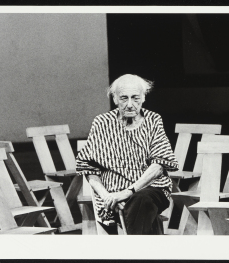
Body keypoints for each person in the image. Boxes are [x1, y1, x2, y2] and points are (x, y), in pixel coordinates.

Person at [76, 74, 179, 234]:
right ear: (115, 99)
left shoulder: (153, 120)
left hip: (151, 190)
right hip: (112, 195)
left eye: (135, 98)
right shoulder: (102, 123)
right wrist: (107, 196)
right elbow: (89, 169)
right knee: (141, 209)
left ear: (144, 97)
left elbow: (159, 164)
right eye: (124, 98)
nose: (130, 104)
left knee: (142, 200)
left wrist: (128, 193)